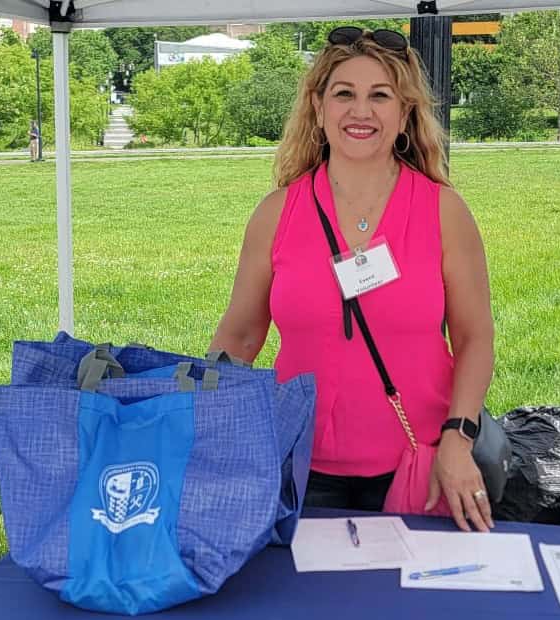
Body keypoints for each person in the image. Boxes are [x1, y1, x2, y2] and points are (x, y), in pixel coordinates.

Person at [211, 26, 495, 531]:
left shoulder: (443, 212)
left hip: (421, 463)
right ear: (318, 109)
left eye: (379, 95)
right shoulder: (276, 214)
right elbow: (240, 334)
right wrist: (203, 420)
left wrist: (459, 437)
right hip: (299, 469)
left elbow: (475, 338)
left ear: (404, 112)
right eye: (344, 94)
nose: (360, 111)